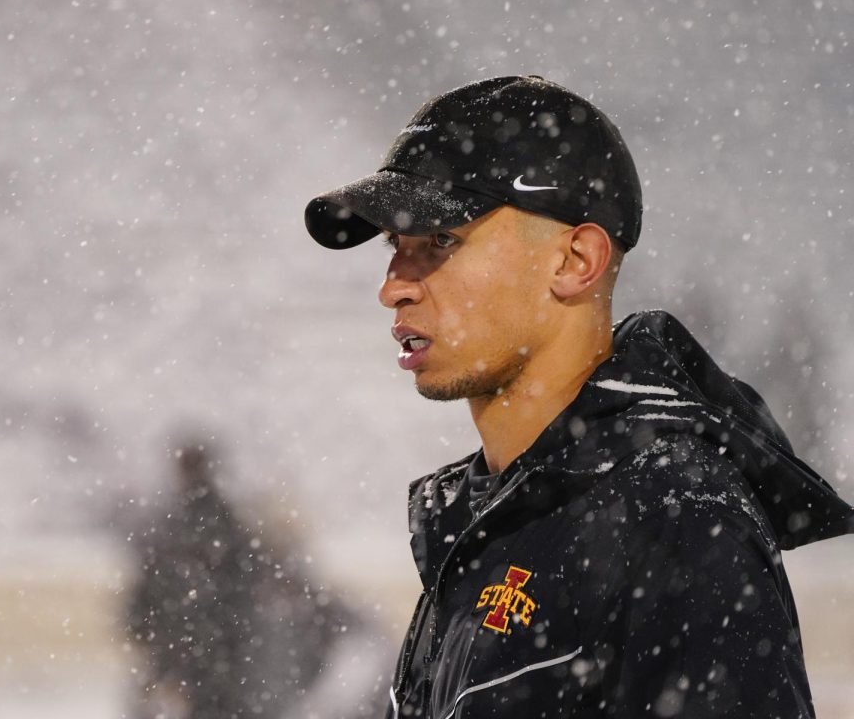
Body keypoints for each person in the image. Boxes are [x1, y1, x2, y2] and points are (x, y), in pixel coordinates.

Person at [303, 75, 854, 718]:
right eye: (397, 247)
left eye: (441, 241)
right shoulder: (485, 522)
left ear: (575, 261)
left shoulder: (674, 516)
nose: (392, 287)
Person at [126, 434, 368, 719]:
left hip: (197, 665)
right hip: (224, 667)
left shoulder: (171, 529)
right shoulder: (224, 527)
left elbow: (143, 607)